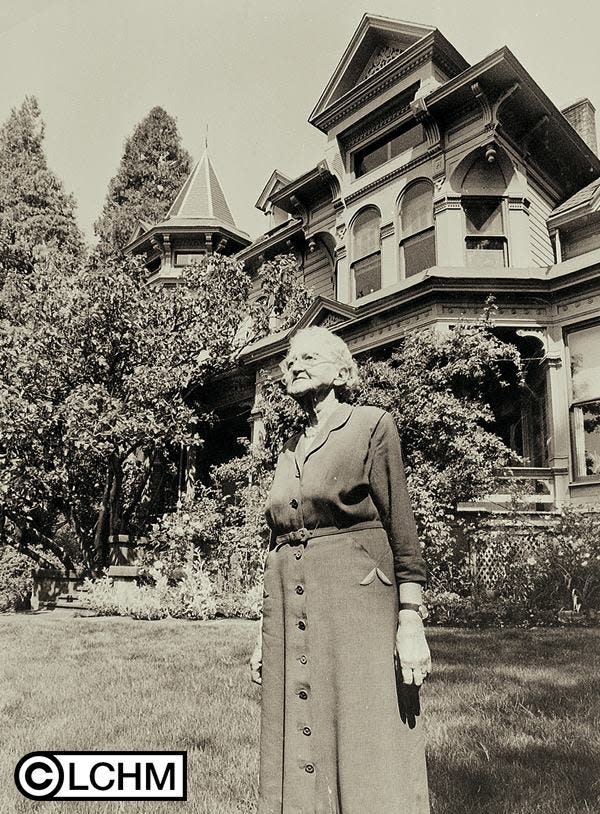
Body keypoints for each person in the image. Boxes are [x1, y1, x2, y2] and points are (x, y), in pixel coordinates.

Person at [250, 325, 431, 814]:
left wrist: (409, 620)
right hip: (293, 601)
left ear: (342, 371)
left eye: (308, 356)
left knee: (362, 726)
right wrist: (265, 631)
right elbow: (279, 532)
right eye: (289, 360)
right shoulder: (288, 444)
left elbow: (402, 527)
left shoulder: (371, 426)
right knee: (299, 723)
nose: (293, 365)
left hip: (357, 601)